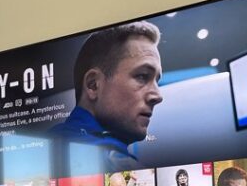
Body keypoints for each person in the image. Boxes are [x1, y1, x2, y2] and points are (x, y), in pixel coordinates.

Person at [50, 21, 163, 163]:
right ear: (93, 85)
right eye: (142, 76)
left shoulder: (48, 148)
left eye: (156, 81)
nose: (158, 96)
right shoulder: (108, 162)